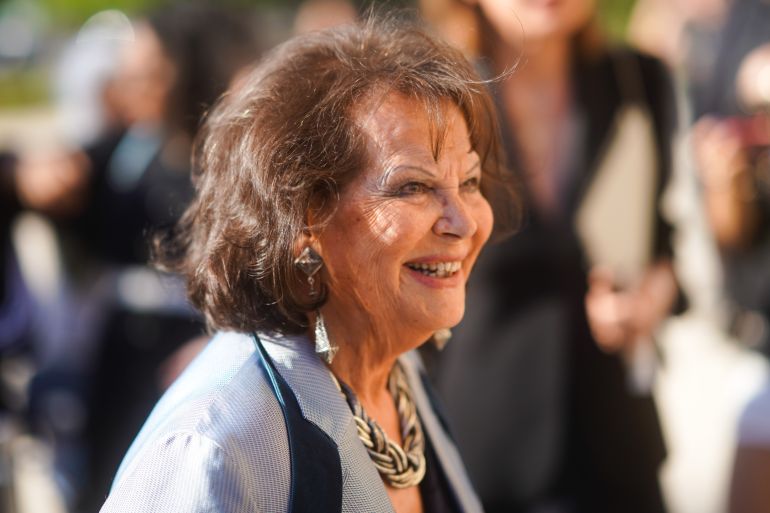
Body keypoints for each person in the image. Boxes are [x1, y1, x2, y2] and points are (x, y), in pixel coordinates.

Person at [99, 17, 517, 513]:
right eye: (413, 187)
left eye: (468, 182)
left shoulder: (395, 371)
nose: (464, 222)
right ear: (303, 218)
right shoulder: (215, 445)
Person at [421, 1, 683, 512]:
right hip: (483, 444)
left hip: (617, 442)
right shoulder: (435, 98)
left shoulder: (637, 79)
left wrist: (651, 297)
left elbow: (662, 236)